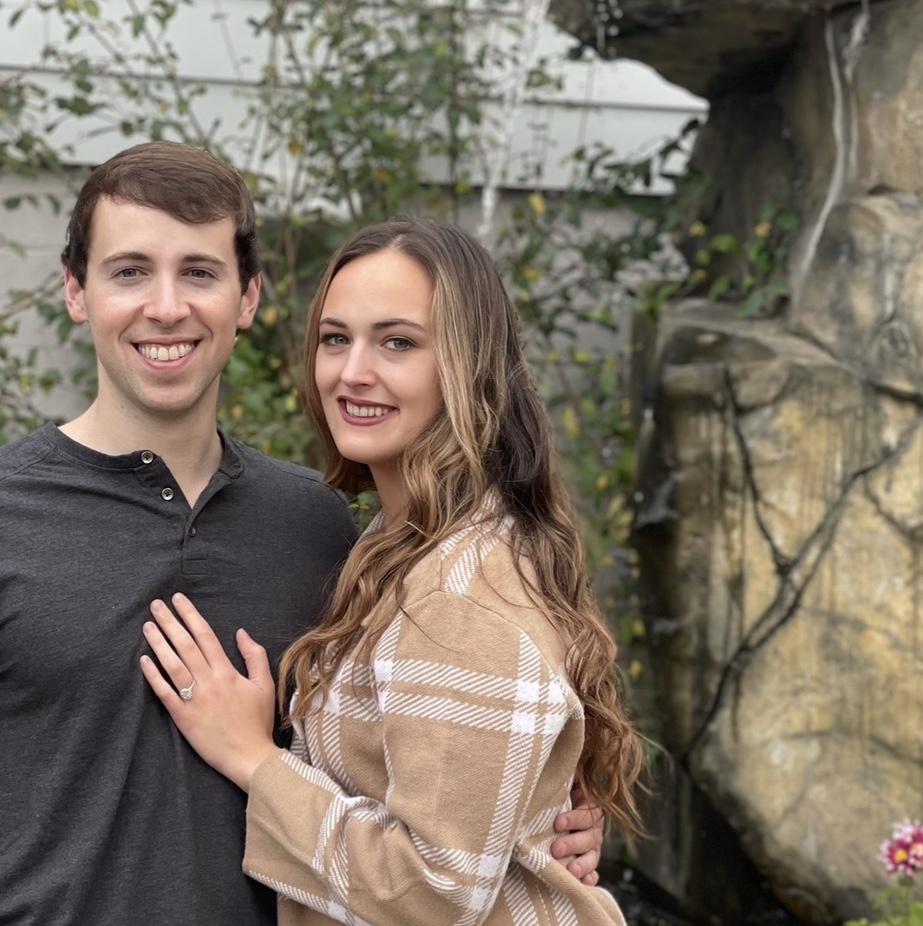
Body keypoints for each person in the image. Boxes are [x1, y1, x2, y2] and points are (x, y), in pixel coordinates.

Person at [0, 146, 603, 925]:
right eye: (130, 272)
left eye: (199, 272)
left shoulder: (317, 522)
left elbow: (420, 787)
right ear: (76, 292)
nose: (166, 306)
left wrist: (536, 825)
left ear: (249, 297)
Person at [140, 218, 643, 925]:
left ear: (466, 365)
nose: (352, 372)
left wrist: (252, 759)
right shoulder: (402, 544)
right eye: (335, 339)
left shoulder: (460, 595)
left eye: (397, 342)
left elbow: (433, 894)